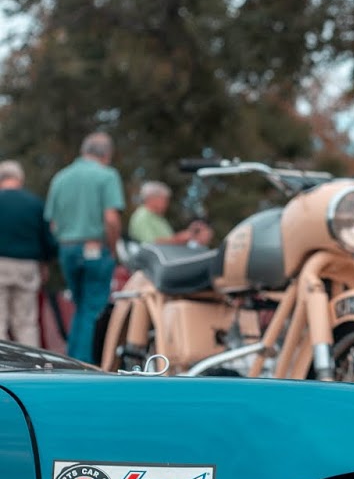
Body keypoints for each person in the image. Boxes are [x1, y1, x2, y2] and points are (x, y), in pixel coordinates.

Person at [45, 131, 126, 364]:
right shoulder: (106, 175)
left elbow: (53, 223)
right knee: (92, 308)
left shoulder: (61, 177)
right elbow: (111, 219)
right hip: (95, 248)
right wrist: (113, 248)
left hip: (67, 249)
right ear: (107, 154)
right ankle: (84, 363)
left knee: (80, 307)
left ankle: (71, 359)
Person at [0, 161, 56, 347]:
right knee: (26, 323)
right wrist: (45, 262)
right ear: (20, 178)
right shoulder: (34, 203)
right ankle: (30, 360)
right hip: (27, 265)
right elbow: (47, 239)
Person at [127, 181, 212, 247]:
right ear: (152, 198)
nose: (167, 204)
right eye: (165, 200)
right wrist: (182, 238)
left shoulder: (159, 218)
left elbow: (169, 241)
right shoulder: (142, 216)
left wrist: (191, 236)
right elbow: (151, 244)